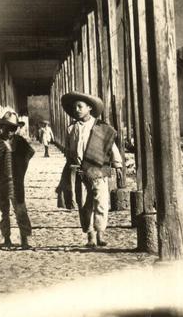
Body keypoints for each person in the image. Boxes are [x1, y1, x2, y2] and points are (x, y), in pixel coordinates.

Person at [61, 91, 123, 248]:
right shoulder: (71, 129)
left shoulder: (100, 127)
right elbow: (68, 150)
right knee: (84, 204)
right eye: (75, 107)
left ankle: (100, 233)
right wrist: (70, 167)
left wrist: (117, 164)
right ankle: (90, 236)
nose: (77, 109)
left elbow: (111, 146)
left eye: (80, 106)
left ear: (89, 108)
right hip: (80, 171)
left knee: (101, 202)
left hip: (98, 171)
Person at [0, 111, 35, 249]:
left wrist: (18, 168)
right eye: (7, 127)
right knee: (1, 210)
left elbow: (28, 154)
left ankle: (25, 238)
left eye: (13, 128)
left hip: (16, 181)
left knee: (20, 209)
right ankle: (6, 238)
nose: (10, 131)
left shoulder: (20, 142)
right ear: (2, 126)